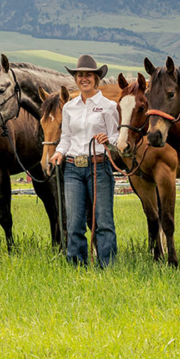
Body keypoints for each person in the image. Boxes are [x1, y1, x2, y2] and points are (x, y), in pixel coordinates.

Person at [49, 54, 119, 268]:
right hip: (72, 169)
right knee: (74, 222)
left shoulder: (108, 106)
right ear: (76, 78)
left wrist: (108, 141)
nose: (84, 79)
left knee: (103, 221)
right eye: (80, 75)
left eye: (88, 75)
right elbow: (66, 138)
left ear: (96, 78)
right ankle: (77, 266)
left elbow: (116, 138)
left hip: (99, 166)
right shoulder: (69, 107)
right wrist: (59, 153)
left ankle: (107, 266)